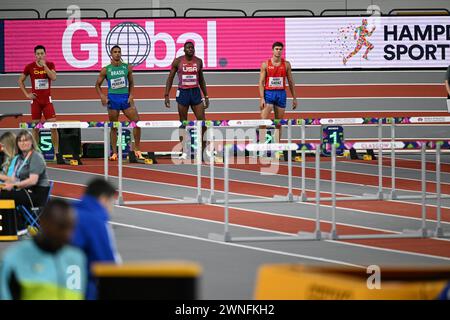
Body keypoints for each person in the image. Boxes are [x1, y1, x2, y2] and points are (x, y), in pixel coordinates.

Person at [0, 199, 87, 300]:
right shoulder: (15, 258)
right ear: (43, 222)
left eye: (69, 227)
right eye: (59, 227)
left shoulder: (77, 257)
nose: (65, 234)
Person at [71, 178, 122, 300]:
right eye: (112, 202)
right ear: (104, 199)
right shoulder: (97, 221)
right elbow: (107, 262)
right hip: (83, 287)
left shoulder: (66, 211)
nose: (112, 207)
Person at [95, 45, 143, 162]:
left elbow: (131, 83)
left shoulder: (127, 67)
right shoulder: (106, 69)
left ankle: (137, 149)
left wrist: (131, 95)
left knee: (136, 122)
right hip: (113, 99)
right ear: (111, 54)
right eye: (115, 52)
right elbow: (97, 85)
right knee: (114, 126)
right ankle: (114, 153)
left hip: (125, 98)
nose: (117, 54)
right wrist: (102, 96)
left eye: (119, 52)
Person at [164, 41, 210, 160]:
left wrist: (206, 96)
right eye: (188, 48)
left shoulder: (198, 61)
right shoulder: (178, 61)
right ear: (184, 50)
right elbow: (170, 78)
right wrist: (166, 95)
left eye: (192, 48)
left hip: (195, 92)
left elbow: (202, 80)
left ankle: (203, 150)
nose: (190, 49)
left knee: (202, 122)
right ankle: (184, 151)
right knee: (183, 122)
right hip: (183, 93)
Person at [18, 45, 63, 164]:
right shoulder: (30, 67)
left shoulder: (50, 65)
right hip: (36, 102)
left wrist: (45, 66)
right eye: (37, 54)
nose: (40, 56)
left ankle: (56, 153)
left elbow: (53, 78)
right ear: (35, 55)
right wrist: (26, 94)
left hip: (47, 101)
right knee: (35, 129)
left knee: (53, 126)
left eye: (42, 53)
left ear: (45, 54)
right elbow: (20, 80)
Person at [0, 130, 51, 232]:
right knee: (3, 192)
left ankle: (19, 227)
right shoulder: (19, 158)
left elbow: (32, 180)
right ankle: (17, 226)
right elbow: (12, 179)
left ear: (31, 142)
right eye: (20, 141)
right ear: (17, 143)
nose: (23, 143)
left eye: (26, 140)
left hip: (37, 194)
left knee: (5, 195)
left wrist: (14, 186)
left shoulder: (36, 157)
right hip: (26, 191)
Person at [258, 41, 297, 155]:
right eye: (276, 49)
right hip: (269, 94)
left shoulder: (286, 64)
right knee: (263, 121)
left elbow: (290, 81)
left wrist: (294, 97)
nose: (278, 51)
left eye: (280, 49)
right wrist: (262, 98)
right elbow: (260, 82)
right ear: (272, 50)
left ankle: (277, 147)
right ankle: (261, 145)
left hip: (281, 94)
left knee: (278, 123)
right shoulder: (265, 64)